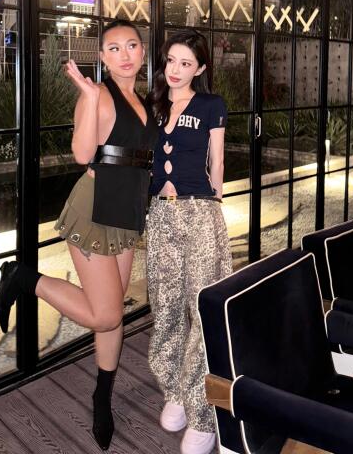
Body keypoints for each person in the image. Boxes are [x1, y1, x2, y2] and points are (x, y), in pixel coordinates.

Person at [0, 19, 157, 450]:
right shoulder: (97, 94)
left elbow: (143, 159)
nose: (124, 54)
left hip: (126, 214)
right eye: (114, 48)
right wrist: (89, 96)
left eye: (131, 45)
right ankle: (21, 278)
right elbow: (82, 154)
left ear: (142, 52)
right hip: (95, 210)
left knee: (113, 314)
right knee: (106, 315)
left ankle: (103, 396)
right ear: (102, 57)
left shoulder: (142, 100)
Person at [146, 30, 232, 454]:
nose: (175, 70)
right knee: (164, 307)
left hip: (198, 212)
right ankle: (176, 389)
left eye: (185, 63)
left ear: (200, 68)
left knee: (200, 309)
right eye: (171, 61)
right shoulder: (155, 105)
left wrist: (214, 205)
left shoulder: (211, 105)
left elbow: (218, 159)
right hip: (160, 216)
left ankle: (202, 413)